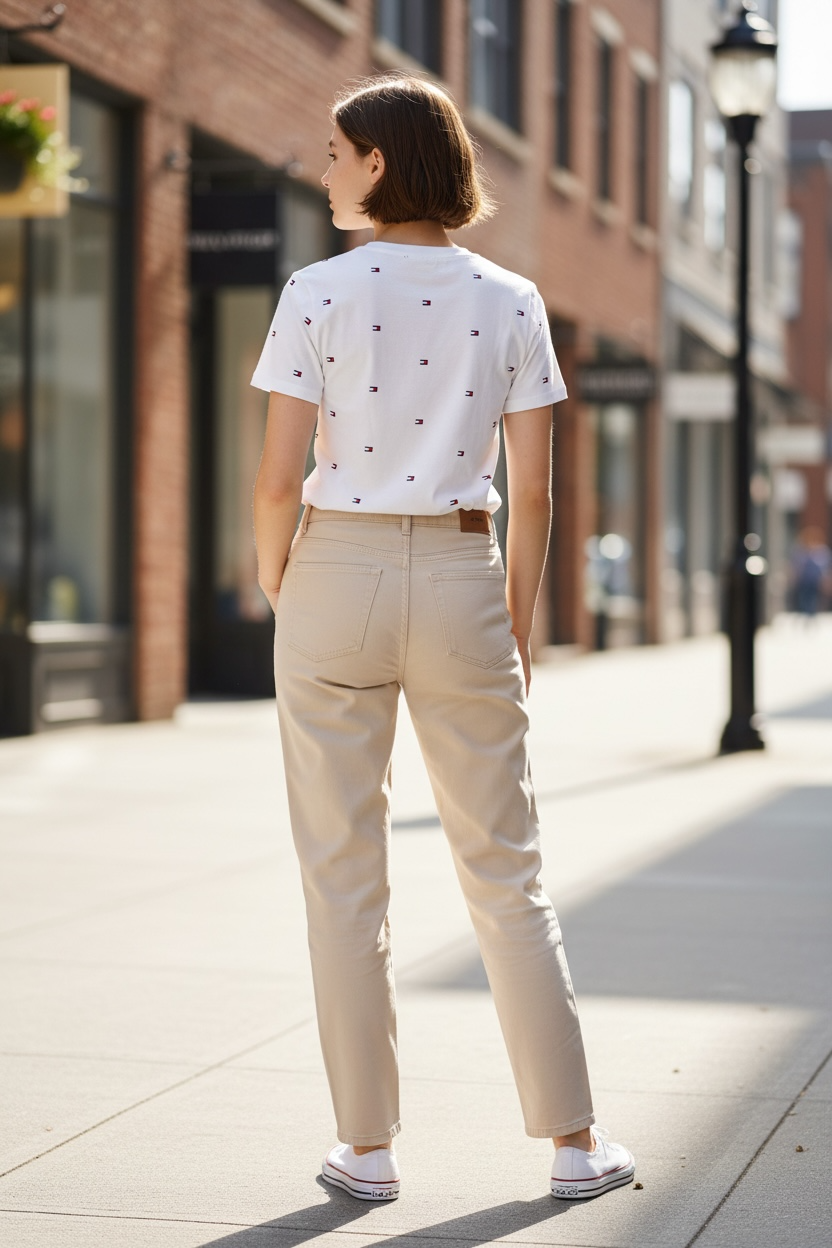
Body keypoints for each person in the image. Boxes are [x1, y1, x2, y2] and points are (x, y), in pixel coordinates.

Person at [251, 74, 634, 1204]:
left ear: (379, 163)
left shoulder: (315, 291)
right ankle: (573, 1143)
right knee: (505, 868)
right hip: (465, 566)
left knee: (340, 877)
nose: (322, 169)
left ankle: (365, 1149)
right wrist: (513, 623)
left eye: (333, 152)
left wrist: (289, 590)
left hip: (333, 567)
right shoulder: (512, 296)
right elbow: (541, 492)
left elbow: (277, 480)